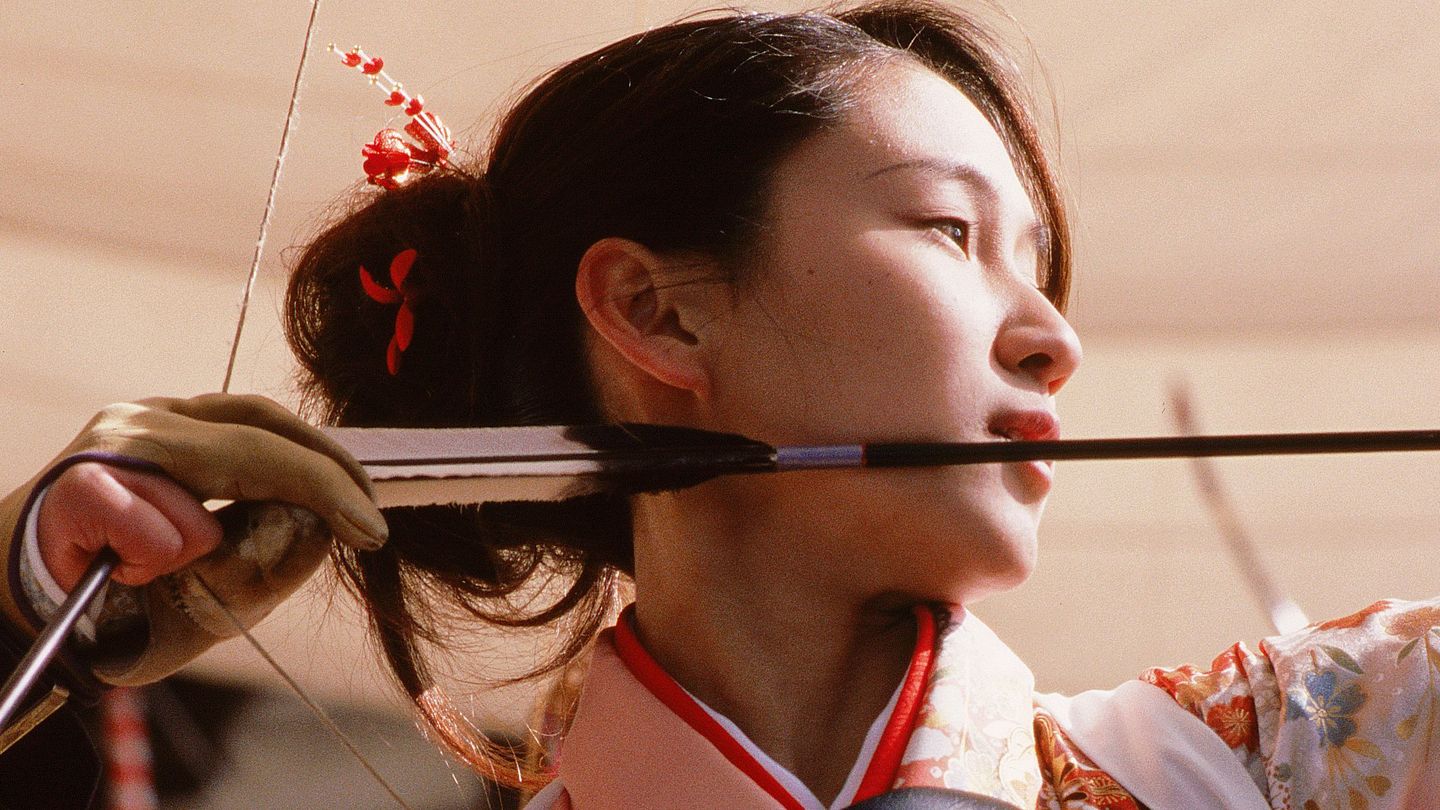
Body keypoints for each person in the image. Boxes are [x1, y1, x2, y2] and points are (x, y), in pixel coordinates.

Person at [2, 2, 1437, 808]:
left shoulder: (1310, 750)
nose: (1054, 337)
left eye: (1046, 269)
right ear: (658, 313)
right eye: (950, 231)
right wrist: (16, 616)